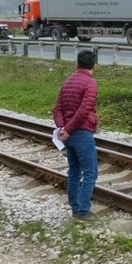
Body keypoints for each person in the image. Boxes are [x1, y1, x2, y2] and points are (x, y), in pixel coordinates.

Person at [53, 50, 100, 221]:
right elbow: (84, 110)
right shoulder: (91, 83)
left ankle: (75, 208)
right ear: (95, 66)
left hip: (68, 135)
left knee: (74, 171)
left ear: (76, 65)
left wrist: (62, 128)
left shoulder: (67, 82)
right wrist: (69, 129)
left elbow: (57, 109)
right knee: (90, 172)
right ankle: (83, 211)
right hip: (81, 132)